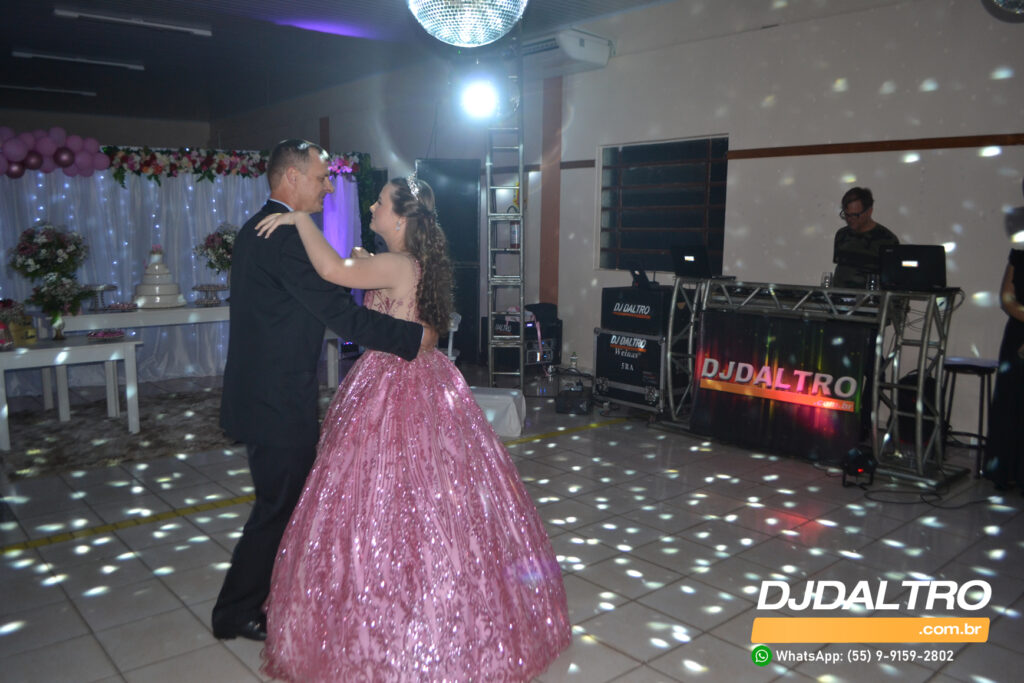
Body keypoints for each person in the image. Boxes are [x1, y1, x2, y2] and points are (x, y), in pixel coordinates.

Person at [254, 175, 571, 681]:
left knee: (389, 490)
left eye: (379, 203)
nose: (371, 208)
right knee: (421, 488)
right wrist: (362, 258)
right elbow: (369, 282)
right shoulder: (407, 263)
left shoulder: (398, 264)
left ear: (400, 219)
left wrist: (299, 220)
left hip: (390, 382)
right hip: (418, 377)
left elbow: (332, 270)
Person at [213, 140, 435, 643]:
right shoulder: (283, 235)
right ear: (291, 178)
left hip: (262, 390)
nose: (329, 187)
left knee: (280, 502)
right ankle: (235, 611)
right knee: (277, 507)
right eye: (321, 178)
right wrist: (414, 337)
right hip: (275, 397)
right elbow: (338, 314)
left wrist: (360, 273)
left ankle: (258, 599)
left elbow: (320, 294)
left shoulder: (258, 227)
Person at [985, 248, 1024, 492]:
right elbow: (1006, 297)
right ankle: (1005, 472)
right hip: (1017, 331)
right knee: (1010, 402)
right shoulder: (1019, 254)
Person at [832, 187, 899, 288]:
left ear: (869, 211)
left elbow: (891, 281)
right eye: (847, 214)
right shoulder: (842, 235)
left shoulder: (887, 239)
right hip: (840, 296)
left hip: (870, 297)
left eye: (855, 215)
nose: (850, 219)